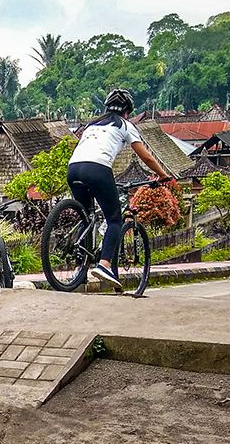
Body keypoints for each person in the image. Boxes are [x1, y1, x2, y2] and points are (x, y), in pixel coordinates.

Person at [67, 88, 175, 292]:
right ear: (127, 111)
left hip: (73, 169)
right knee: (114, 220)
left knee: (86, 217)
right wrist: (163, 175)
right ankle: (105, 265)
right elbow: (147, 157)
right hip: (98, 169)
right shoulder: (125, 125)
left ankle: (79, 267)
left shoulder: (91, 125)